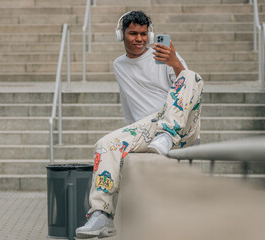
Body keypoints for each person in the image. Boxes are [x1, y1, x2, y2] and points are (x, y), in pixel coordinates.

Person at [76, 10, 203, 239]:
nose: (139, 39)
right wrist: (131, 137)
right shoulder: (119, 65)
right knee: (104, 144)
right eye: (133, 33)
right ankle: (101, 214)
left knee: (191, 76)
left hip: (180, 124)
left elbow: (187, 89)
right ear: (121, 35)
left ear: (150, 35)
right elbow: (130, 102)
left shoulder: (164, 57)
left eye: (144, 34)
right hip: (147, 130)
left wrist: (175, 63)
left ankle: (167, 132)